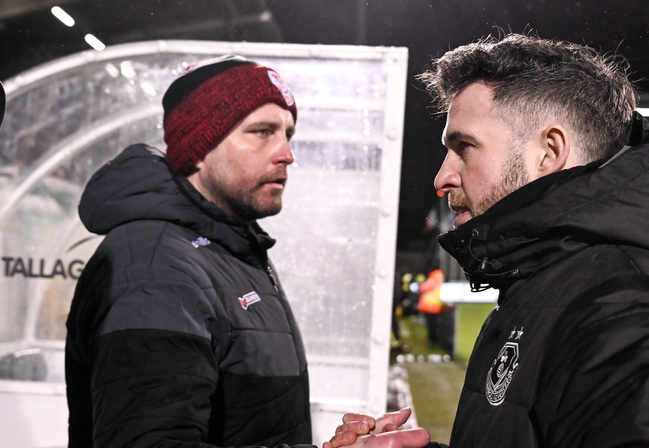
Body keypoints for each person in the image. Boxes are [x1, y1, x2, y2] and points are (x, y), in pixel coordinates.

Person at [328, 34, 649, 447]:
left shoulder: (634, 308)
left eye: (465, 147)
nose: (442, 177)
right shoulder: (550, 278)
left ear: (549, 153)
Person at [65, 55, 429, 448]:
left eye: (288, 134)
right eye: (261, 132)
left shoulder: (228, 248)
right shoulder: (154, 265)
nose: (286, 153)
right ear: (199, 147)